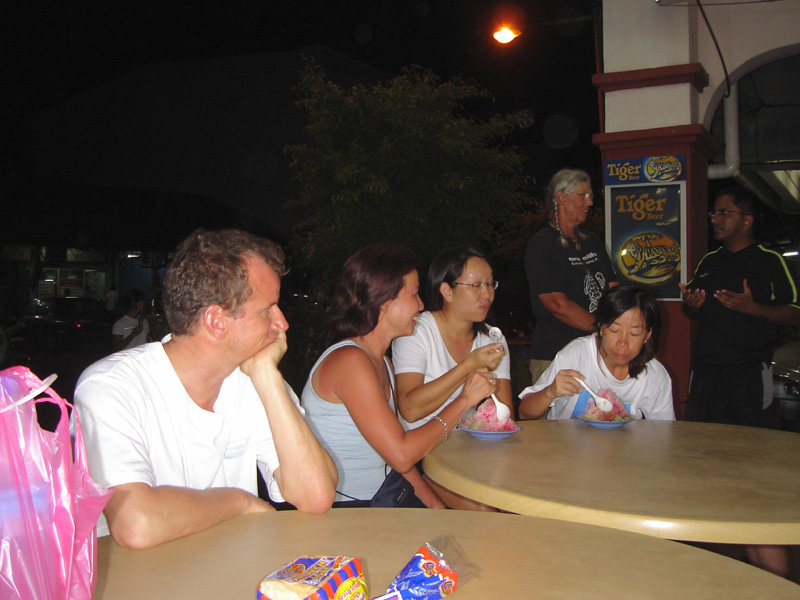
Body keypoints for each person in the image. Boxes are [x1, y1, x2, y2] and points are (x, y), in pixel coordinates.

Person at [74, 229, 337, 549]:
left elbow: (316, 495)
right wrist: (238, 502)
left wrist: (267, 375)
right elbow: (137, 523)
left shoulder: (252, 378)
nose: (281, 323)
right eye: (267, 309)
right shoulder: (111, 388)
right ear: (217, 321)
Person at [302, 245, 493, 508]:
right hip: (345, 511)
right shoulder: (349, 362)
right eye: (414, 294)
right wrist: (464, 401)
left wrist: (436, 507)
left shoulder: (381, 362)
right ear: (384, 301)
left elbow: (394, 461)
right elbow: (402, 454)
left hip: (382, 498)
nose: (421, 304)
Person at [679, 186, 800, 578]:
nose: (715, 219)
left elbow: (793, 312)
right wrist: (691, 307)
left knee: (752, 465)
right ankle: (713, 555)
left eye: (724, 213)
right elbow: (693, 307)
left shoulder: (769, 261)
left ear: (746, 220)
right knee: (702, 461)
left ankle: (763, 558)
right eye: (714, 213)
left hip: (748, 377)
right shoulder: (711, 260)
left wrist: (755, 308)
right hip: (708, 375)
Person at [392, 246, 512, 429]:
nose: (487, 294)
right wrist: (469, 366)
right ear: (447, 291)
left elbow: (504, 415)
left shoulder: (492, 338)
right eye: (476, 285)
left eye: (489, 284)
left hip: (467, 446)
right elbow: (409, 410)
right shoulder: (416, 331)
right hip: (419, 449)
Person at [518, 285, 674, 421]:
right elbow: (525, 413)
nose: (622, 343)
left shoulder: (654, 375)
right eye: (614, 330)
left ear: (647, 335)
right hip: (564, 451)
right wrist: (550, 392)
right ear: (601, 328)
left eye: (634, 334)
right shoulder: (577, 355)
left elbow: (664, 431)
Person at [524, 168, 618, 387]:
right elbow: (556, 303)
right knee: (556, 421)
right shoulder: (542, 245)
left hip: (597, 353)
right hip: (555, 355)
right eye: (583, 195)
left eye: (591, 196)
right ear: (561, 197)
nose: (590, 202)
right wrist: (602, 329)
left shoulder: (592, 241)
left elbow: (614, 288)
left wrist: (619, 328)